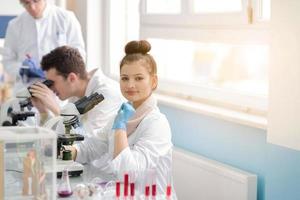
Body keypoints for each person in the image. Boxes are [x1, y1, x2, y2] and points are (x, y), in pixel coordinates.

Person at [70, 40, 176, 198]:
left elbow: (129, 173)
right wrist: (62, 152)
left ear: (153, 81)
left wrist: (119, 128)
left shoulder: (157, 124)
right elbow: (91, 147)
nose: (130, 84)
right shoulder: (121, 115)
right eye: (125, 78)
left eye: (139, 78)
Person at [29, 46, 124, 133]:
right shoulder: (77, 93)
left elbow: (87, 141)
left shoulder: (105, 94)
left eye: (52, 82)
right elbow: (59, 134)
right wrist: (43, 111)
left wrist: (56, 109)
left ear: (71, 78)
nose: (50, 88)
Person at [2, 0, 85, 91]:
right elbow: (7, 60)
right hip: (26, 89)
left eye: (36, 1)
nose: (32, 7)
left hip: (58, 91)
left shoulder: (66, 18)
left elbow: (78, 56)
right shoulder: (15, 25)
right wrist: (23, 69)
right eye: (26, 3)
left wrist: (57, 70)